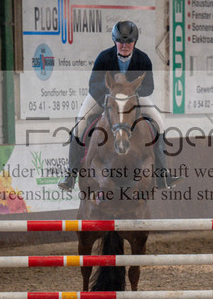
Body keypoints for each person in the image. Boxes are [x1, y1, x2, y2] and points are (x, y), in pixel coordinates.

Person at [58, 20, 181, 192]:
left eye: (129, 42)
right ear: (115, 41)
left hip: (132, 98)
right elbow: (93, 84)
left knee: (159, 122)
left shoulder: (143, 59)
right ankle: (70, 175)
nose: (124, 46)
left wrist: (130, 92)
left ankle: (162, 174)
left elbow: (149, 87)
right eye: (120, 42)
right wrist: (112, 93)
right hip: (104, 97)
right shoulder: (104, 57)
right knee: (79, 126)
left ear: (135, 42)